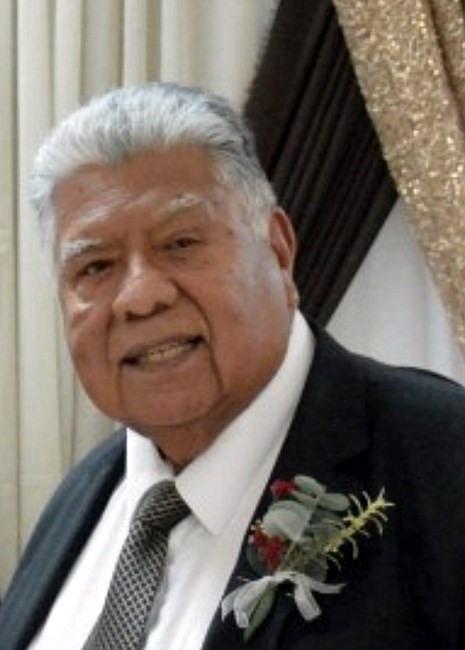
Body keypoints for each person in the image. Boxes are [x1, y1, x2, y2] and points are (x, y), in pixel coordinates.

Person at [0, 82, 464, 650]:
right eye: (96, 267)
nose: (140, 297)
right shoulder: (82, 497)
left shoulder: (441, 461)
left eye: (180, 243)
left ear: (279, 250)